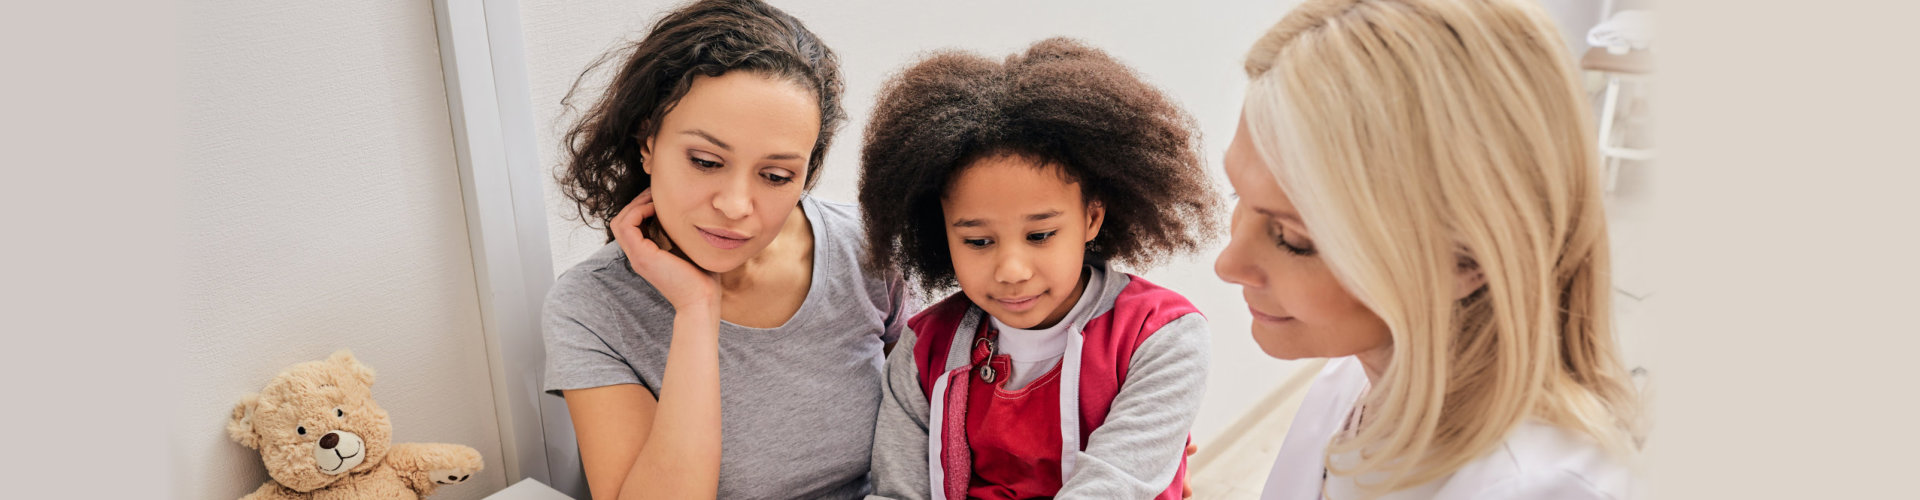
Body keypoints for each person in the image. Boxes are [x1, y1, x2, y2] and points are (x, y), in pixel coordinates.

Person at [1215, 0, 1646, 498]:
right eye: (1238, 198)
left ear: (1467, 259)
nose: (1228, 264)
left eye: (1294, 240)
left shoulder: (1544, 487)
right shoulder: (1352, 385)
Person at [539, 1, 914, 498]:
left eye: (776, 176)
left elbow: (934, 430)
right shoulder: (592, 307)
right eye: (706, 161)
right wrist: (696, 311)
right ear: (647, 143)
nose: (736, 205)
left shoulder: (865, 250)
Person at [859, 38, 1221, 500]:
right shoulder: (924, 349)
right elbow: (896, 491)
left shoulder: (1162, 336)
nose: (1011, 270)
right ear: (940, 233)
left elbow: (1111, 487)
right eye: (978, 241)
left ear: (1092, 217)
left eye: (1040, 235)